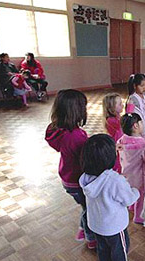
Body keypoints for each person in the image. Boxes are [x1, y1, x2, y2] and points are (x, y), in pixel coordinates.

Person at [80, 134, 139, 261]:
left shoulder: (86, 177)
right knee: (120, 250)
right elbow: (128, 199)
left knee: (103, 248)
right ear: (110, 158)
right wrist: (136, 191)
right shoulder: (114, 180)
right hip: (114, 226)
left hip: (96, 224)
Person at [45, 89, 97, 249]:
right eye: (83, 107)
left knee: (85, 207)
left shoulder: (55, 130)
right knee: (90, 210)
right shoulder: (76, 136)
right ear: (76, 110)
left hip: (67, 179)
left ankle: (83, 228)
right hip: (78, 180)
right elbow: (88, 160)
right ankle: (91, 239)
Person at [117, 113, 145, 224]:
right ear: (135, 126)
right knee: (141, 195)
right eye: (141, 122)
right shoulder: (144, 144)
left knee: (131, 190)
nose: (143, 124)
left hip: (126, 173)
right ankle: (139, 216)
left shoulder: (121, 140)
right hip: (140, 177)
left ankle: (131, 206)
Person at [103, 93, 124, 173]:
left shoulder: (118, 116)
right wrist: (130, 110)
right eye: (119, 104)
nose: (122, 105)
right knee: (118, 163)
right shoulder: (111, 120)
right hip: (116, 146)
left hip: (120, 144)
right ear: (111, 108)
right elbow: (124, 123)